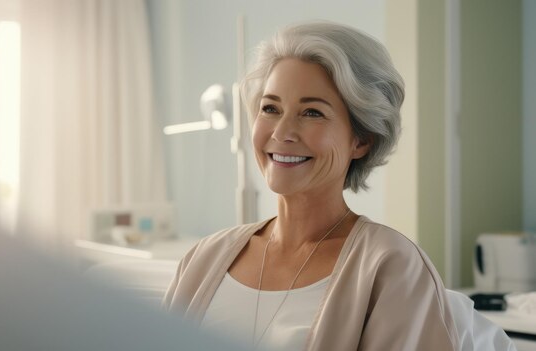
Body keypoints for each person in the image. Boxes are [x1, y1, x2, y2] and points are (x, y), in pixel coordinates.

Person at [163, 21, 459, 350]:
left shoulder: (391, 266)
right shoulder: (205, 258)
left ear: (361, 140)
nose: (282, 132)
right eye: (270, 108)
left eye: (312, 112)